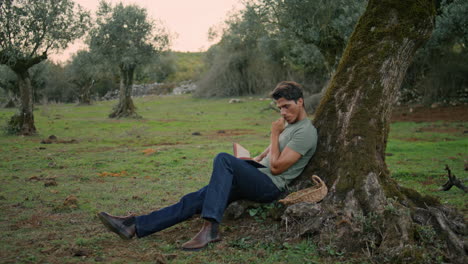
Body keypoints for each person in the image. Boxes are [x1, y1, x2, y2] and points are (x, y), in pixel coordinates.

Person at [98, 81, 318, 250]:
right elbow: (268, 156)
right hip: (256, 174)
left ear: (300, 102)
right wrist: (252, 159)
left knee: (222, 159)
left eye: (287, 107)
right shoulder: (288, 125)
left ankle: (210, 227)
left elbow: (278, 168)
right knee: (195, 199)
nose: (283, 113)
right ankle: (134, 225)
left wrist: (273, 133)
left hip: (270, 186)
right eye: (279, 108)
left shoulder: (305, 132)